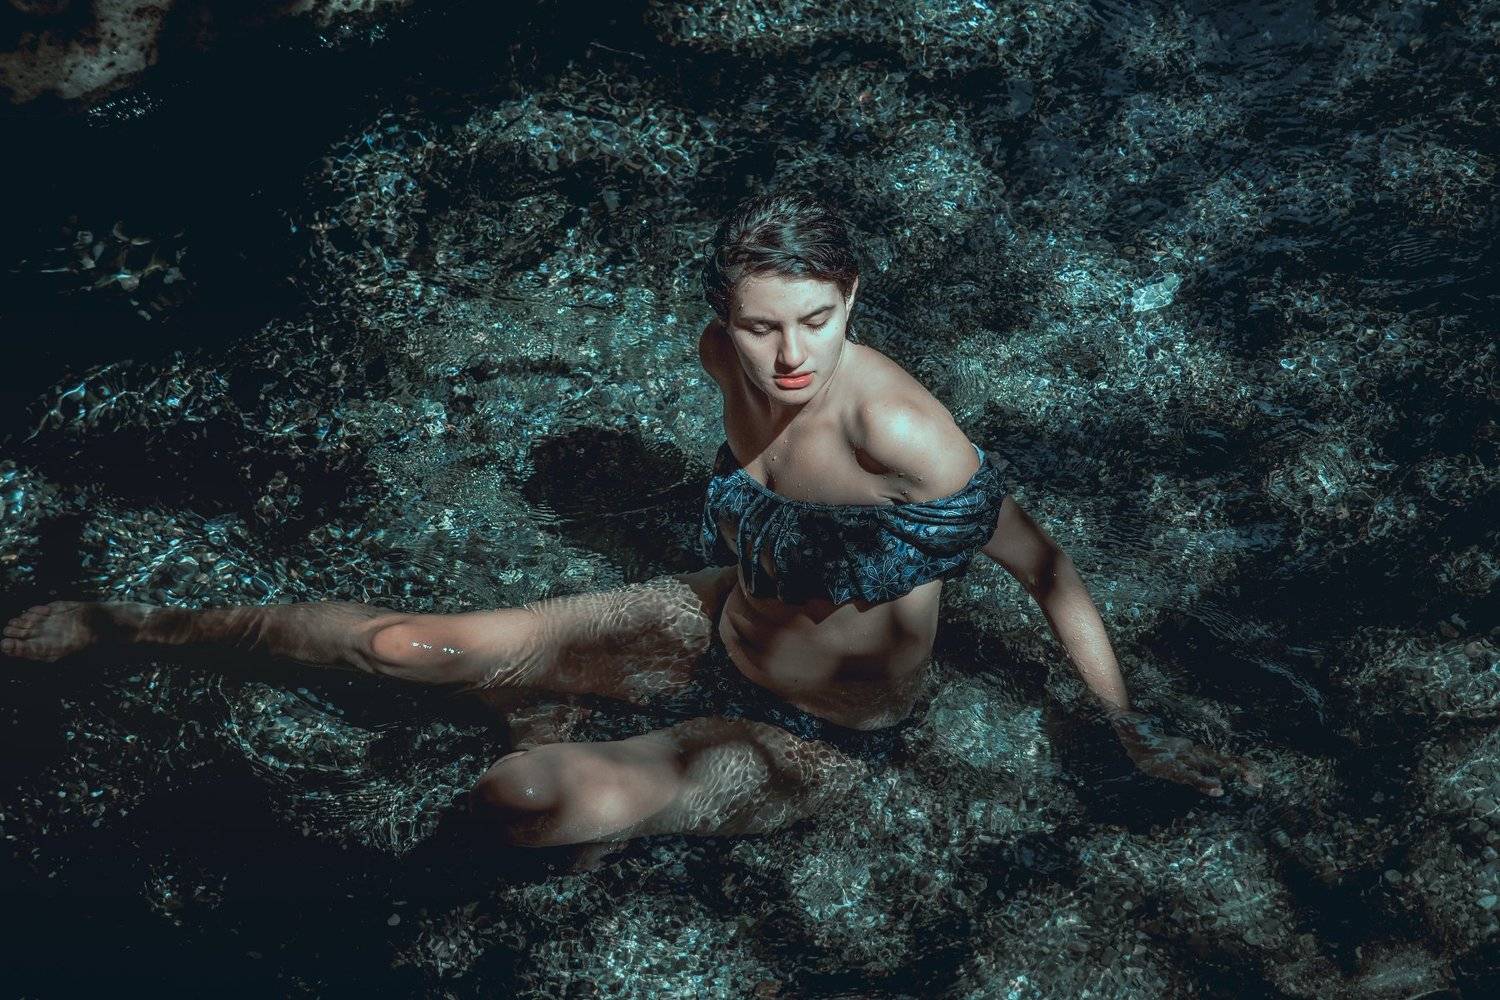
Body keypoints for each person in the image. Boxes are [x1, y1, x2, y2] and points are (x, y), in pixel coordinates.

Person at [2, 191, 1261, 853]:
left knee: (521, 796)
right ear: (724, 315)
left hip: (821, 739)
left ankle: (542, 748)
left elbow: (1048, 571)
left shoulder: (905, 436)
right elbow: (755, 486)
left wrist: (1127, 729)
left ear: (853, 297)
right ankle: (137, 626)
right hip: (711, 624)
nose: (790, 357)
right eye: (762, 325)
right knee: (402, 648)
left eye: (818, 320)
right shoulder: (728, 356)